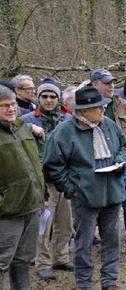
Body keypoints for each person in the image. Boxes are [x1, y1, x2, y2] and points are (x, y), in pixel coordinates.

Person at [43, 86, 126, 290]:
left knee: (112, 242)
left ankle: (109, 282)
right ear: (82, 110)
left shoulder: (109, 125)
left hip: (112, 193)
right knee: (83, 245)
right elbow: (52, 165)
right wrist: (72, 188)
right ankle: (84, 284)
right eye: (98, 108)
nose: (102, 110)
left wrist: (120, 161)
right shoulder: (63, 133)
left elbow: (125, 146)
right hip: (85, 197)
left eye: (102, 107)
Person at [21, 78, 74, 281]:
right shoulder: (27, 119)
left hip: (64, 177)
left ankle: (61, 257)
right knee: (43, 225)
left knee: (65, 223)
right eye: (45, 96)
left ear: (58, 98)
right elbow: (10, 128)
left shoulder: (67, 118)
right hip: (42, 180)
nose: (49, 100)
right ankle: (42, 263)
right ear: (38, 97)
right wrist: (29, 129)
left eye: (53, 96)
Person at [90, 67, 126, 261]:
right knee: (102, 207)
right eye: (107, 83)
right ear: (94, 85)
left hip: (125, 164)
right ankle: (104, 245)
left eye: (113, 82)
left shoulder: (124, 105)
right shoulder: (87, 108)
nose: (112, 86)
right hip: (99, 167)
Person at [0, 84, 46, 290]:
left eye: (12, 105)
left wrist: (42, 196)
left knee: (23, 261)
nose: (11, 109)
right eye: (4, 106)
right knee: (2, 263)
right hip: (7, 214)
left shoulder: (20, 128)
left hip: (31, 207)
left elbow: (34, 166)